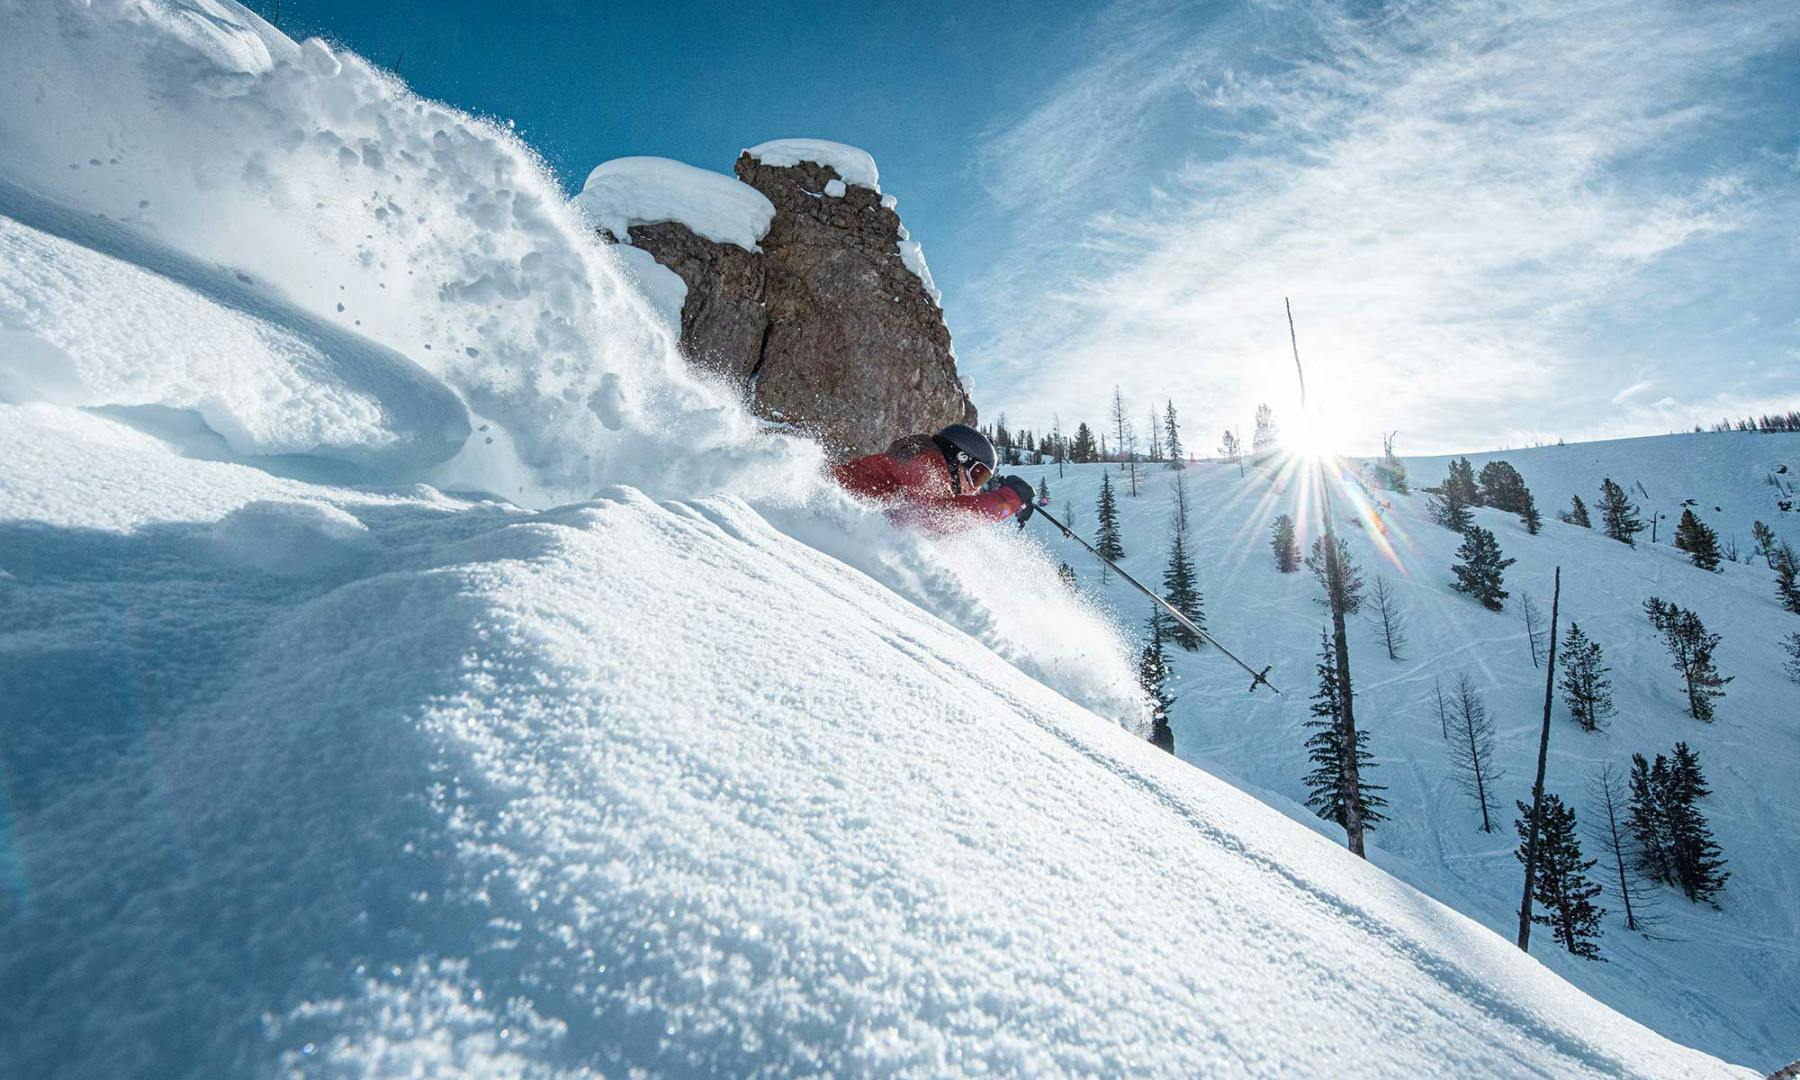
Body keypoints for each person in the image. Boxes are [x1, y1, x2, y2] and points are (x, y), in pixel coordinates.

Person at [833, 423, 1036, 529]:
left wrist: (1008, 505)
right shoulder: (926, 463)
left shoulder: (930, 467)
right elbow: (933, 515)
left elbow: (940, 521)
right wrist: (1007, 500)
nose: (975, 487)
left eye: (982, 480)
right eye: (977, 475)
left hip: (845, 515)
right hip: (832, 507)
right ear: (960, 457)